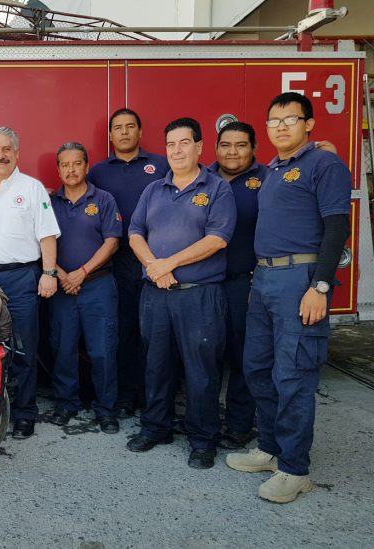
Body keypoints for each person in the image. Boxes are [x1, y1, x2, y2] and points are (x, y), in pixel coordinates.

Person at [226, 93, 351, 503]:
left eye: (291, 119)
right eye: (274, 120)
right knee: (257, 367)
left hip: (301, 279)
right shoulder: (275, 170)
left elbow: (337, 227)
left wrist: (321, 286)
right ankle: (271, 449)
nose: (281, 126)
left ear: (309, 124)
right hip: (264, 278)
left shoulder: (324, 164)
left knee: (294, 374)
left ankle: (295, 469)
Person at [126, 117, 236, 469]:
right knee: (155, 365)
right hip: (155, 294)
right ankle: (156, 427)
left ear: (200, 146)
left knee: (201, 370)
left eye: (184, 142)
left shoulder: (217, 189)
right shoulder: (153, 189)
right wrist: (154, 267)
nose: (176, 150)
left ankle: (203, 439)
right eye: (170, 144)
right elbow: (135, 232)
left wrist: (167, 263)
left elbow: (218, 238)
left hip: (199, 295)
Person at [0, 127, 60, 440]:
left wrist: (49, 273)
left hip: (22, 278)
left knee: (23, 349)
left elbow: (47, 233)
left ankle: (24, 414)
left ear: (17, 153)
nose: (0, 155)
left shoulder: (32, 188)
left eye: (6, 149)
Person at [88, 108, 170, 418]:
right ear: (110, 136)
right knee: (123, 329)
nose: (123, 132)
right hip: (117, 259)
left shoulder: (160, 165)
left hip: (154, 259)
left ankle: (155, 396)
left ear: (139, 131)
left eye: (130, 126)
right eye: (117, 128)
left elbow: (198, 179)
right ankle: (125, 395)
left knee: (154, 331)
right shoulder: (98, 171)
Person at [48, 142, 121, 433]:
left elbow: (113, 241)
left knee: (103, 350)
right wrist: (64, 275)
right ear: (58, 169)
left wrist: (82, 272)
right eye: (65, 165)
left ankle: (106, 409)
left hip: (98, 285)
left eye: (76, 163)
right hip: (61, 287)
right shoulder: (49, 203)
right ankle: (66, 404)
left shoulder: (103, 199)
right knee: (63, 349)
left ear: (87, 166)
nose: (71, 169)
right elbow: (41, 242)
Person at [209, 121, 267, 449]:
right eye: (226, 144)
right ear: (215, 148)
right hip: (204, 284)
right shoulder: (201, 178)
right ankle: (202, 420)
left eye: (241, 145)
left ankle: (239, 424)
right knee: (205, 354)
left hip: (243, 283)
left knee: (244, 357)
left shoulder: (268, 181)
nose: (232, 151)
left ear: (253, 148)